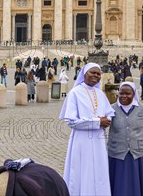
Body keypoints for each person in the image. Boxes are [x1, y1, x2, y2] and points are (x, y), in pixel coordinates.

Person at [59, 63, 114, 196]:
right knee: (82, 171)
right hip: (81, 141)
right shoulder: (75, 93)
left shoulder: (100, 94)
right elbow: (71, 121)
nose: (95, 75)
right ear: (84, 74)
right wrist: (97, 122)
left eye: (98, 73)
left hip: (98, 141)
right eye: (92, 72)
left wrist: (108, 119)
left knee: (99, 171)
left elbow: (110, 112)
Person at [108, 82, 143, 196]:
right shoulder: (111, 109)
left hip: (138, 155)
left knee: (139, 184)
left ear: (134, 94)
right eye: (121, 93)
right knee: (119, 185)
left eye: (128, 93)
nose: (124, 96)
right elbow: (102, 125)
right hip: (117, 155)